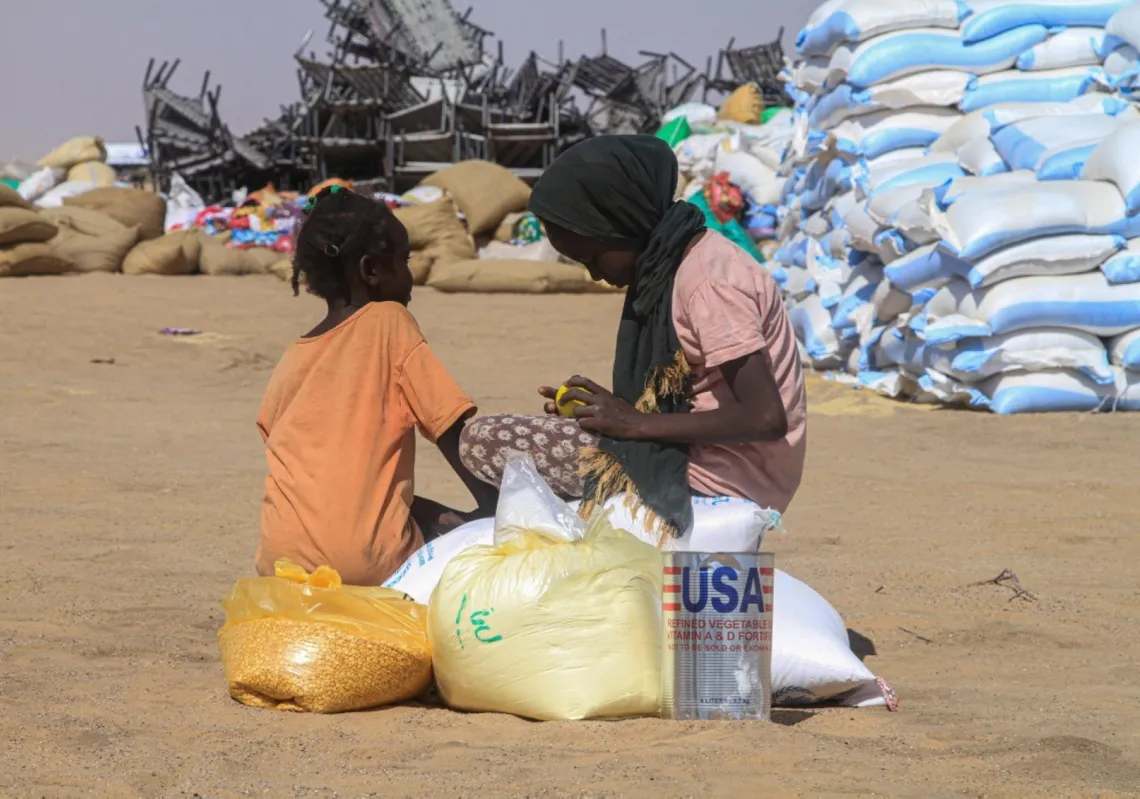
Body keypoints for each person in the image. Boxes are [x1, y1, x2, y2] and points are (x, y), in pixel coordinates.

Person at [459, 135, 806, 537]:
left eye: (592, 257)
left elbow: (764, 417)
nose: (593, 274)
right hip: (700, 454)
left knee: (485, 440)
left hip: (722, 476)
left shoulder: (707, 284)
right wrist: (604, 414)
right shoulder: (679, 259)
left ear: (623, 223)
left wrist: (635, 423)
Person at [255, 185, 497, 585]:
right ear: (371, 271)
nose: (409, 275)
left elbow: (279, 441)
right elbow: (448, 427)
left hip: (280, 562)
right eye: (402, 261)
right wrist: (494, 509)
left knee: (404, 507)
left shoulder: (293, 356)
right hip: (365, 562)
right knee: (460, 536)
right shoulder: (388, 322)